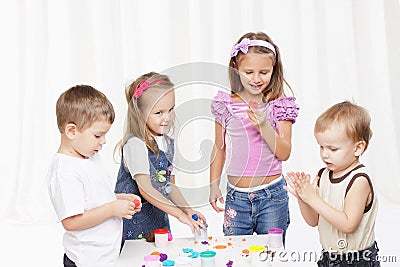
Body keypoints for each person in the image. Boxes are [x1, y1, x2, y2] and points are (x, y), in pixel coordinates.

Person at [209, 32, 299, 239]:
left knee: (271, 256)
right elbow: (219, 147)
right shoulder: (225, 104)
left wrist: (264, 126)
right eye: (248, 72)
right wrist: (213, 184)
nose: (256, 79)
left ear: (273, 70)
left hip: (272, 197)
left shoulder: (279, 105)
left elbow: (284, 153)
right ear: (236, 69)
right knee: (235, 255)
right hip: (236, 199)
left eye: (264, 72)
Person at [47, 85, 142, 267]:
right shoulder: (65, 172)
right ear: (72, 131)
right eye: (98, 135)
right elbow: (71, 221)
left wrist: (118, 199)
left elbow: (92, 199)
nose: (104, 141)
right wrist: (113, 209)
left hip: (105, 256)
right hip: (86, 260)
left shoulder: (90, 156)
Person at [114, 72, 206, 245]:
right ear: (140, 113)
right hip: (134, 225)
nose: (168, 117)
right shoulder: (135, 144)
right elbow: (146, 189)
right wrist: (178, 214)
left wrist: (187, 210)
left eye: (171, 109)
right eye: (159, 112)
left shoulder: (168, 143)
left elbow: (170, 186)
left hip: (159, 222)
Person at [284, 101, 380, 266]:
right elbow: (314, 221)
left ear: (358, 148)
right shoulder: (323, 175)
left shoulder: (359, 181)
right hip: (329, 257)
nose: (325, 155)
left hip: (357, 260)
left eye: (333, 149)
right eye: (321, 147)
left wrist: (313, 198)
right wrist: (304, 199)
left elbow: (348, 225)